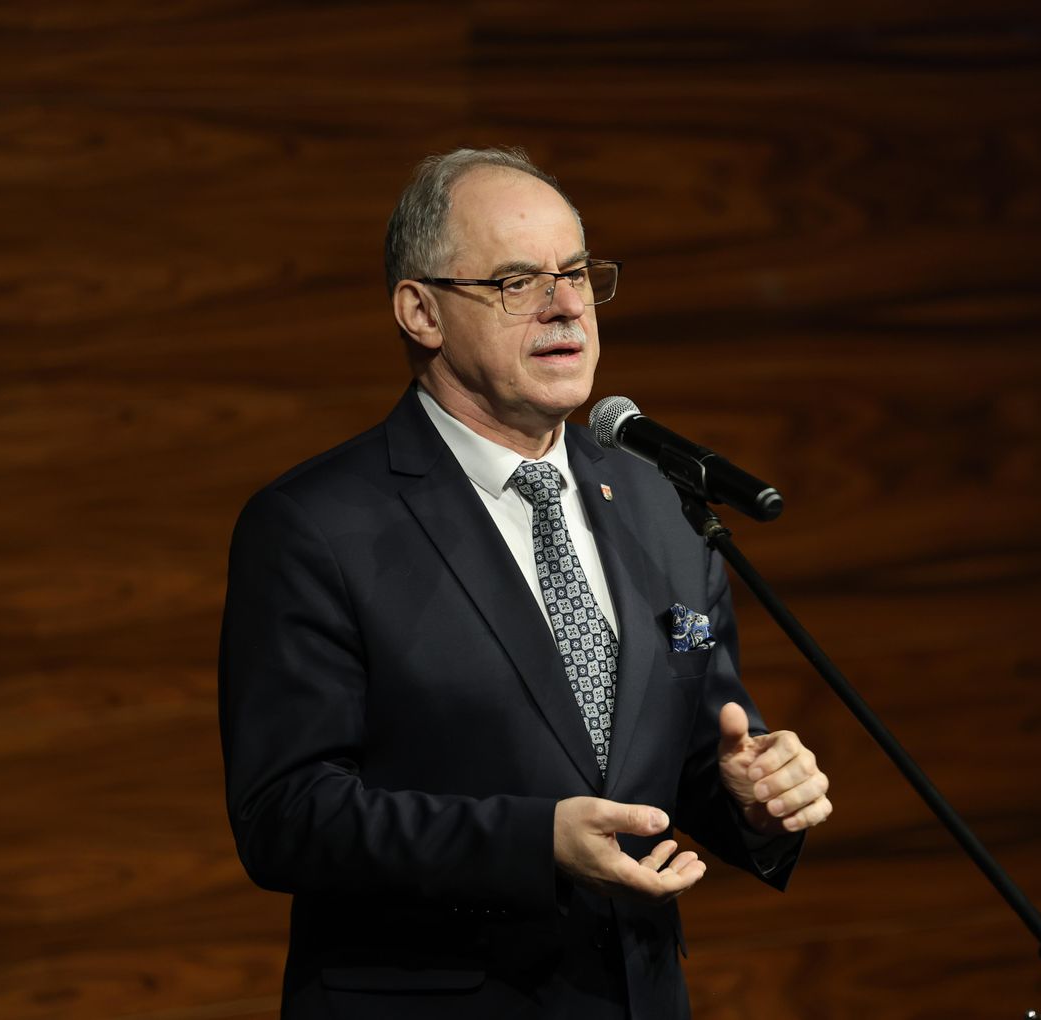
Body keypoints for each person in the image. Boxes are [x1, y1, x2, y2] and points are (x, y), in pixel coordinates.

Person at [218, 147, 832, 1019]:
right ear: (421, 311)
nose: (566, 303)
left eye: (576, 273)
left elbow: (691, 750)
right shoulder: (316, 524)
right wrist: (533, 843)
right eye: (516, 281)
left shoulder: (659, 502)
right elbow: (286, 815)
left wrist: (751, 798)